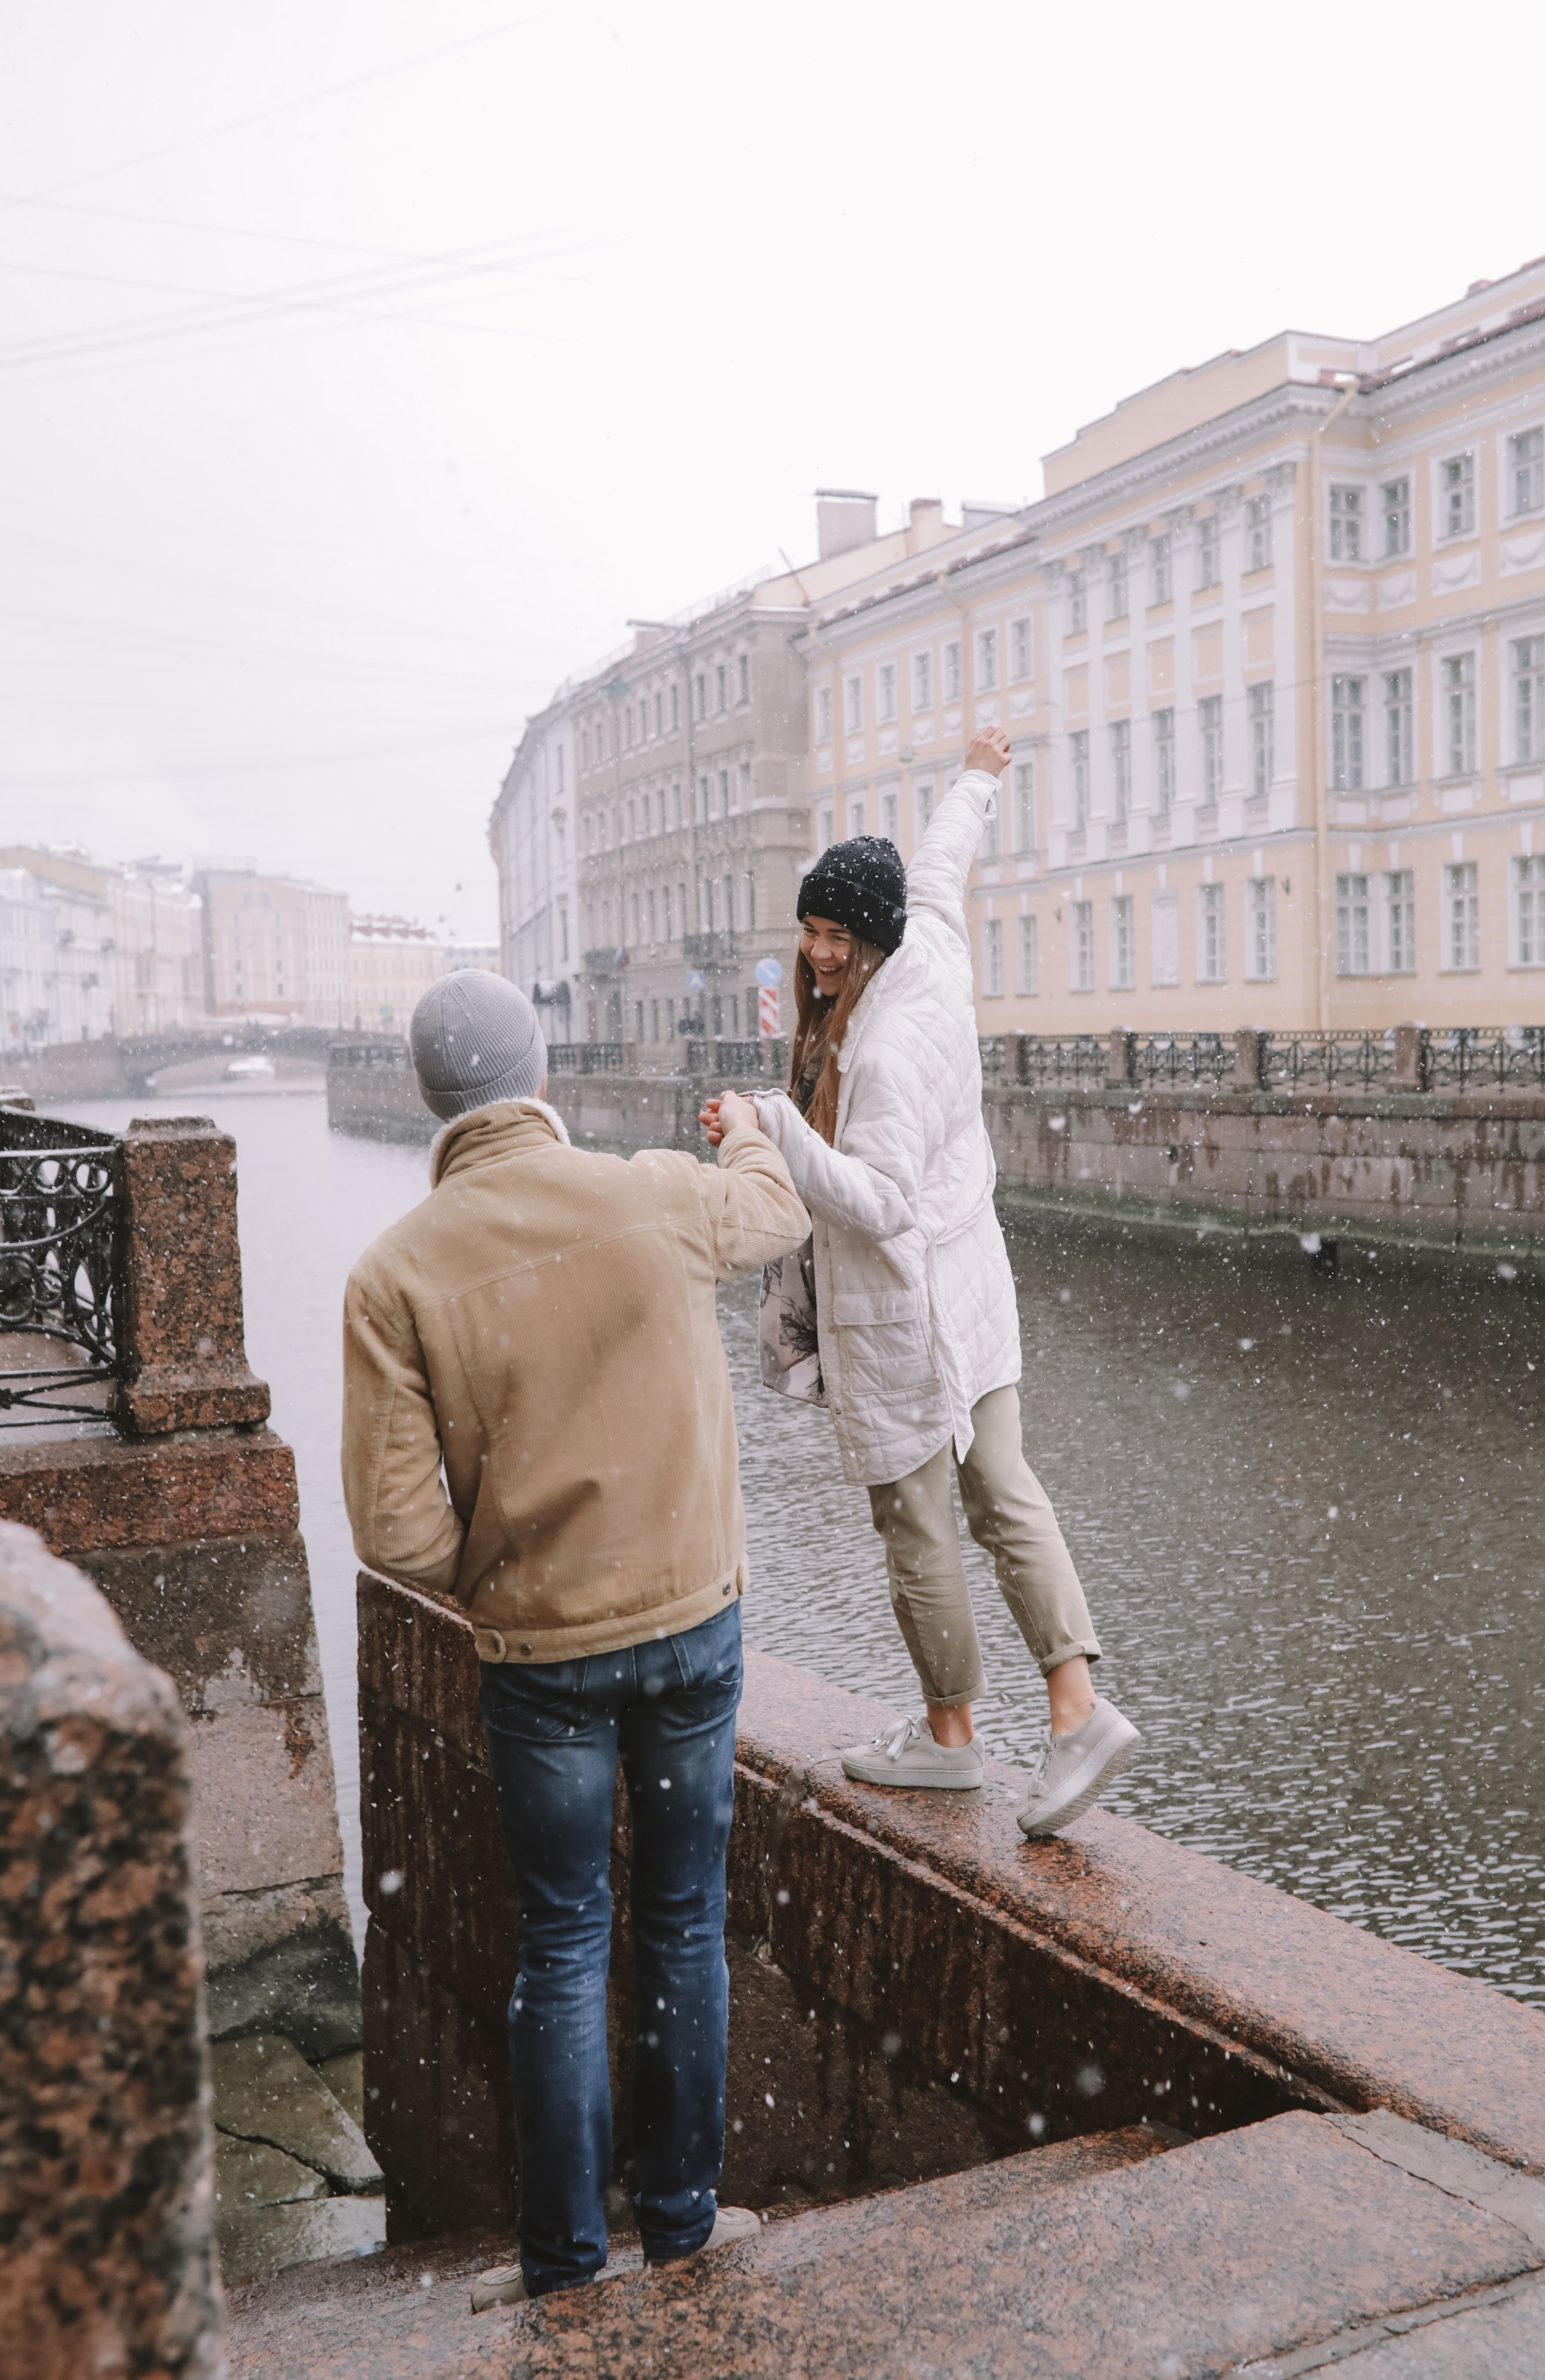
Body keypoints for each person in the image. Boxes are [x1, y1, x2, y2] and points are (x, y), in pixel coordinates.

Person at [341, 970, 810, 2306]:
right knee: (681, 1926)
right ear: (539, 1076)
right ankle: (679, 2224)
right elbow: (776, 1211)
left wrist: (502, 1577)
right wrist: (746, 1133)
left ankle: (561, 2267)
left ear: (435, 1099)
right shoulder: (648, 1192)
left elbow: (392, 1534)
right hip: (689, 1628)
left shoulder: (397, 1273)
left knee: (561, 1947)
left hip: (539, 1662)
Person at [702, 729, 1140, 1836]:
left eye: (835, 934)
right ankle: (1075, 1706)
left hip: (905, 1309)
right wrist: (981, 773)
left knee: (918, 1523)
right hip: (973, 1284)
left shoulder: (888, 1053)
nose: (816, 954)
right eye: (808, 931)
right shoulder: (932, 940)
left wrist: (775, 1124)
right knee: (1004, 1489)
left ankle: (953, 1741)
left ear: (873, 938)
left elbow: (880, 1199)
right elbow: (946, 858)